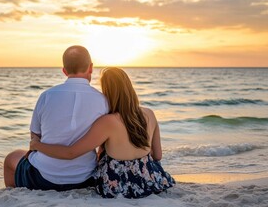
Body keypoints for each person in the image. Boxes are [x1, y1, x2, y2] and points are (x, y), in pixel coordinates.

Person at [30, 67, 175, 198]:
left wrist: (36, 145)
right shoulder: (149, 113)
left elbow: (71, 153)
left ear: (108, 92)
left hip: (119, 185)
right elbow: (157, 155)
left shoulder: (108, 122)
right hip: (151, 179)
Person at [4, 45, 109, 191]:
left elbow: (35, 136)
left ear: (64, 71)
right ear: (90, 68)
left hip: (44, 177)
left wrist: (37, 145)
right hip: (85, 178)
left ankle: (13, 194)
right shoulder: (103, 100)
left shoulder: (47, 96)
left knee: (12, 158)